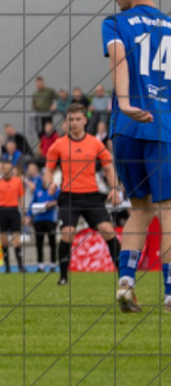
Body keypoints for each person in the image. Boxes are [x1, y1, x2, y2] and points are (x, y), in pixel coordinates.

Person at [103, 0, 171, 313]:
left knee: (140, 210)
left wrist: (126, 102)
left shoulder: (115, 24)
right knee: (168, 209)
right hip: (161, 126)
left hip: (127, 127)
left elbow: (118, 61)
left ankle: (126, 284)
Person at [43, 103, 121, 287]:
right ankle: (63, 277)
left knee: (108, 231)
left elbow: (109, 168)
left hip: (92, 196)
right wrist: (49, 183)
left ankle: (123, 276)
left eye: (78, 119)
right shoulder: (58, 145)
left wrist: (115, 188)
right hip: (69, 196)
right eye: (71, 119)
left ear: (85, 120)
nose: (75, 123)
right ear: (66, 122)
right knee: (68, 233)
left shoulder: (95, 143)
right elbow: (48, 170)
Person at [0, 161, 25, 273]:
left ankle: (20, 266)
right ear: (2, 170)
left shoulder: (18, 181)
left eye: (9, 169)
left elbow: (21, 198)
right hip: (2, 211)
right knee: (4, 241)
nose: (7, 171)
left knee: (17, 240)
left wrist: (24, 214)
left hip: (14, 211)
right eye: (5, 169)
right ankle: (8, 267)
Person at [26, 162, 59, 273]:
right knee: (39, 243)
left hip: (50, 220)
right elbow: (32, 204)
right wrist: (28, 216)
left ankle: (53, 265)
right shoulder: (37, 191)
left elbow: (61, 200)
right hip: (39, 220)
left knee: (52, 243)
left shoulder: (56, 190)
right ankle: (40, 266)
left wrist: (52, 203)